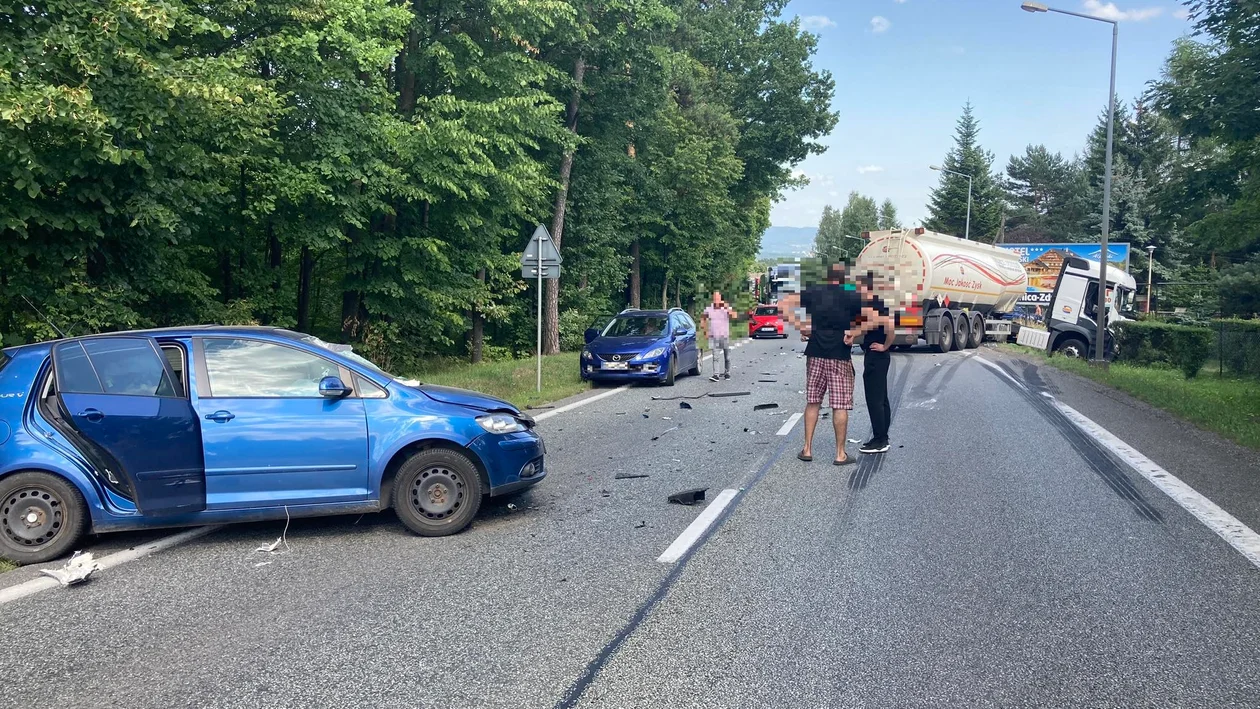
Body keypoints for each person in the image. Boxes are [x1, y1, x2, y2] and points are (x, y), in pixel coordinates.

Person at [778, 263, 880, 466]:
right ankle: (840, 454)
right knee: (839, 405)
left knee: (813, 401)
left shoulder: (814, 290)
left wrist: (803, 328)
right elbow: (874, 316)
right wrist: (854, 333)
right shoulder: (851, 293)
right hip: (839, 355)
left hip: (815, 353)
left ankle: (807, 448)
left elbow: (783, 306)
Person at [852, 273, 895, 454]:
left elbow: (888, 327)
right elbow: (890, 327)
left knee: (874, 400)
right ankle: (882, 436)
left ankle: (880, 440)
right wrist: (886, 346)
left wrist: (884, 346)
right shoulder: (880, 304)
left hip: (875, 356)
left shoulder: (870, 306)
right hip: (881, 356)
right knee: (882, 399)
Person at [701, 291, 735, 382]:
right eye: (714, 298)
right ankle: (716, 375)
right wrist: (705, 331)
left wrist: (727, 307)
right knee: (715, 357)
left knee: (727, 357)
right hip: (714, 336)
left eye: (718, 298)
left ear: (720, 298)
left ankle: (727, 373)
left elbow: (734, 316)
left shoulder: (725, 308)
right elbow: (703, 319)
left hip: (725, 336)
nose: (716, 300)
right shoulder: (709, 309)